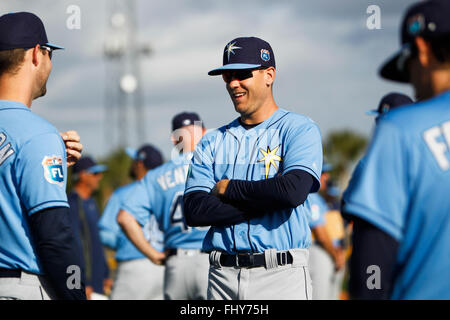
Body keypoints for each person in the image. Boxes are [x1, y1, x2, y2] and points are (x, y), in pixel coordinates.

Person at [183, 37, 323, 300]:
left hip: (280, 274)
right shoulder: (213, 140)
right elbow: (195, 210)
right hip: (221, 276)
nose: (233, 83)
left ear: (269, 75)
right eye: (227, 76)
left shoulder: (298, 128)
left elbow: (293, 191)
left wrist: (228, 188)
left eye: (243, 74)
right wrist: (270, 198)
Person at [342, 0, 450, 300]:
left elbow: (374, 255)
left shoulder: (400, 128)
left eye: (410, 67)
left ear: (422, 48)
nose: (413, 85)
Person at [0, 12, 86, 300]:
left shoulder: (38, 140)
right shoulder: (38, 135)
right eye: (50, 55)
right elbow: (55, 235)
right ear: (37, 54)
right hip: (17, 286)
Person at [117, 112, 210, 300]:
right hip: (210, 259)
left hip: (176, 263)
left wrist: (153, 255)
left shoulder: (156, 176)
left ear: (175, 139)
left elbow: (125, 218)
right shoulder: (217, 167)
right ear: (204, 133)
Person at [98, 144, 165, 300]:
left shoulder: (124, 193)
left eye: (134, 160)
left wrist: (123, 241)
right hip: (165, 264)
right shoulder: (167, 191)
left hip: (134, 265)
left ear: (140, 164)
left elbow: (106, 234)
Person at [68, 156, 111, 300]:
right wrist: (80, 282)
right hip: (85, 286)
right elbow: (74, 245)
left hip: (98, 285)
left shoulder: (91, 202)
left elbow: (96, 241)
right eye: (95, 173)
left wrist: (105, 274)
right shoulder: (72, 203)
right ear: (82, 176)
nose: (100, 177)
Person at [306, 163, 346, 300]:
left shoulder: (318, 199)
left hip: (327, 250)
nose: (326, 177)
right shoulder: (311, 197)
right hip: (318, 250)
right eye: (323, 173)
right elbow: (321, 235)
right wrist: (336, 255)